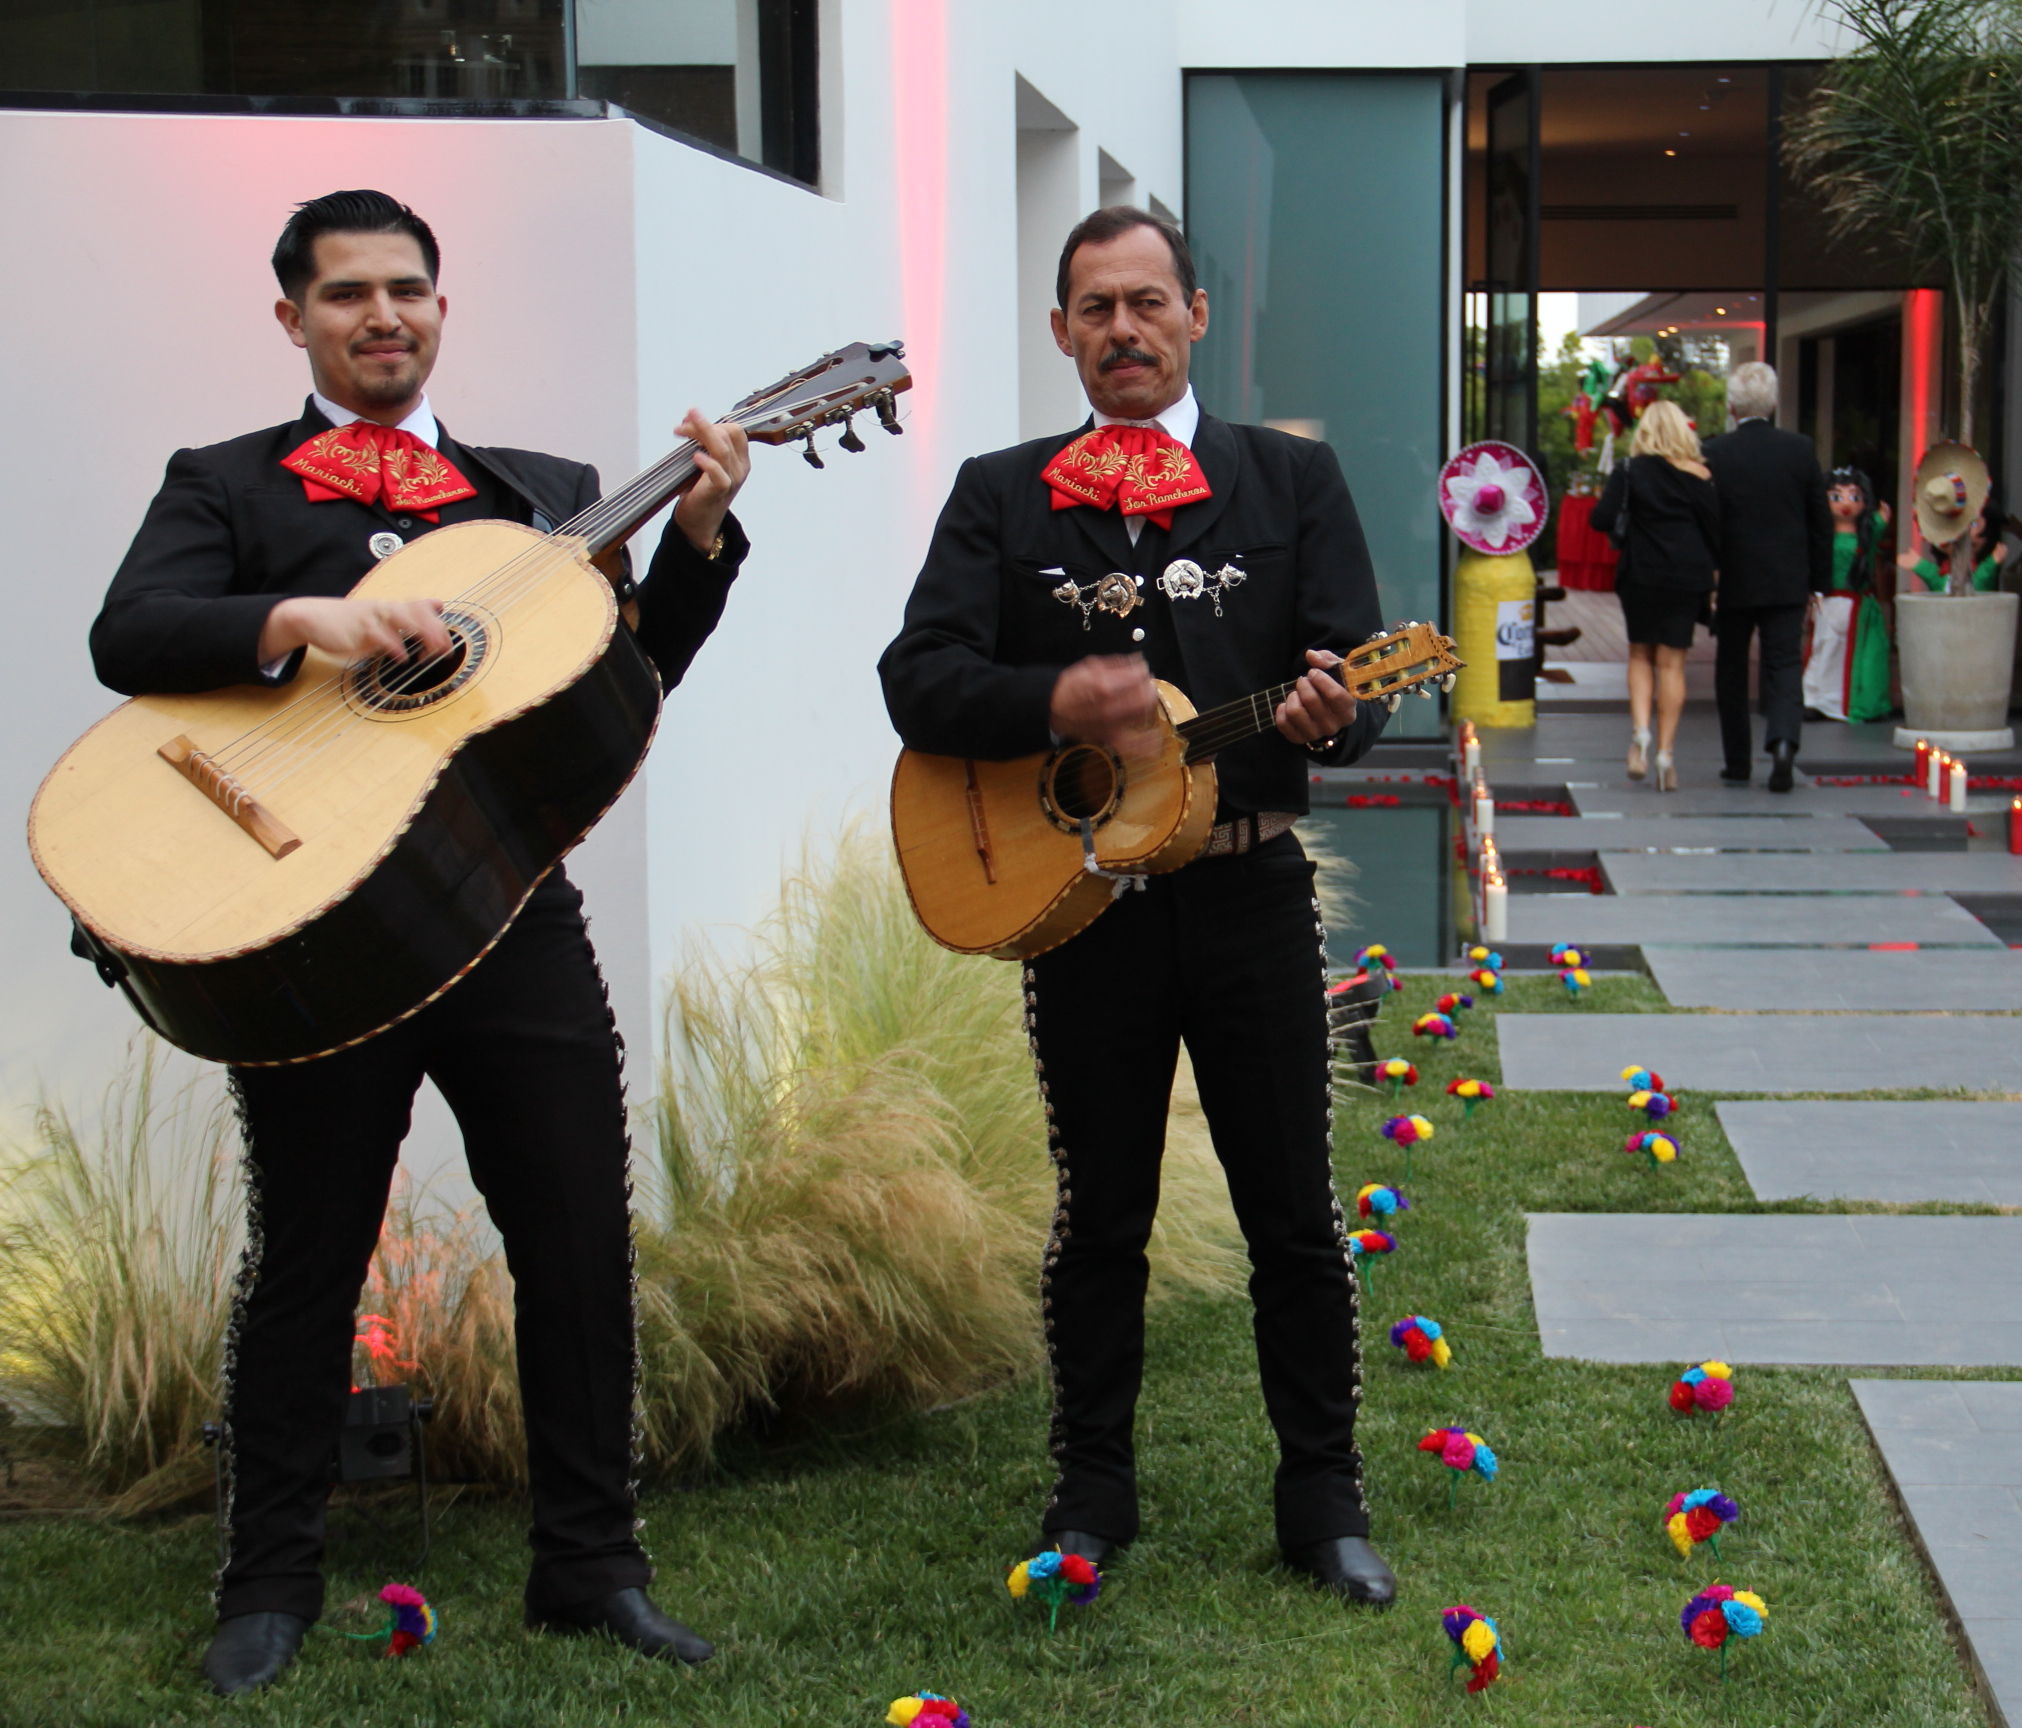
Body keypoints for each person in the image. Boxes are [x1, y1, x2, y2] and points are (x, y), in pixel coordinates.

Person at [88, 190, 751, 1696]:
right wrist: (310, 622)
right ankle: (268, 1587)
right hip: (312, 931)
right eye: (346, 296)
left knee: (577, 1239)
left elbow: (626, 685)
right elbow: (131, 634)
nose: (381, 316)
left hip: (509, 911)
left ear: (442, 308)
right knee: (308, 1255)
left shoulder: (544, 493)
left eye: (407, 290)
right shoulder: (227, 482)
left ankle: (592, 1568)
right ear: (294, 319)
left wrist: (699, 539)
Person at [877, 207, 1397, 1606]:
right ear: (1061, 332)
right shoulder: (1004, 491)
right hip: (1089, 905)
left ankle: (1322, 1501)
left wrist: (1335, 712)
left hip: (1248, 889)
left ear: (1197, 316)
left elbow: (1354, 703)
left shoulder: (1289, 481)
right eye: (1095, 307)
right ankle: (1090, 1492)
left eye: (1148, 302)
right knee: (1099, 1214)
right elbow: (915, 679)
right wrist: (1051, 700)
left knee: (1290, 1209)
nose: (1124, 328)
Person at [1701, 361, 1830, 791]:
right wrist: (1819, 583)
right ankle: (1783, 743)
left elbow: (1708, 521)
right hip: (1787, 577)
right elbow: (1819, 520)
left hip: (1735, 578)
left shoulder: (1715, 452)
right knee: (1784, 664)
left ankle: (1738, 760)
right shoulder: (1799, 449)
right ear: (1773, 404)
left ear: (1732, 406)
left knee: (1732, 669)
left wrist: (1710, 577)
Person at [1590, 399, 1720, 789]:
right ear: (1684, 431)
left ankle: (1640, 737)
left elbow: (1600, 519)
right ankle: (1665, 755)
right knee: (1672, 665)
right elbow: (1716, 532)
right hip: (1686, 577)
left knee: (1640, 655)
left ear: (1644, 431)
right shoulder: (1700, 475)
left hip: (1641, 575)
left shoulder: (1629, 470)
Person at [1806, 466, 1892, 723]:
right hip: (1828, 601)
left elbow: (1880, 523)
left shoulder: (1868, 534)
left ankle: (1859, 702)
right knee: (1824, 650)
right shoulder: (1820, 535)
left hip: (1858, 604)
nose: (1845, 504)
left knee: (1862, 657)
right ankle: (1816, 700)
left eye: (1854, 496)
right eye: (1835, 496)